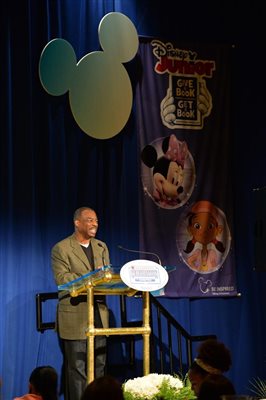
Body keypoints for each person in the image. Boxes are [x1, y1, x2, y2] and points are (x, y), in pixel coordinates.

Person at [51, 206, 110, 400]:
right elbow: (63, 279)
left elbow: (107, 277)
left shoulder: (101, 247)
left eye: (96, 220)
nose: (95, 223)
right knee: (78, 370)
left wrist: (105, 279)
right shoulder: (61, 248)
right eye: (90, 220)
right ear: (77, 223)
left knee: (99, 366)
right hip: (75, 317)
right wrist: (91, 278)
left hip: (99, 315)